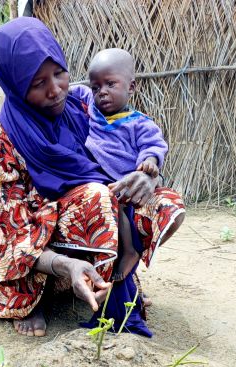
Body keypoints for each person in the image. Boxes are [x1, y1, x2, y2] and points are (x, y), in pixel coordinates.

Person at [0, 17, 185, 337]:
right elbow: (16, 232)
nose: (55, 89)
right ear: (14, 85)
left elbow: (131, 143)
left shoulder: (81, 105)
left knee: (162, 203)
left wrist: (147, 175)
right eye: (37, 83)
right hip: (32, 239)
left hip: (89, 221)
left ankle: (114, 284)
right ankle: (38, 295)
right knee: (98, 196)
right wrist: (66, 264)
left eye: (58, 73)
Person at [80, 48, 168, 281]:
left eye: (110, 84)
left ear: (131, 87)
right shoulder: (93, 114)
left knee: (116, 206)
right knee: (108, 205)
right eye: (96, 87)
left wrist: (149, 162)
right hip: (101, 181)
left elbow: (153, 145)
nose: (103, 93)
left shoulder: (139, 123)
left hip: (128, 183)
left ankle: (130, 251)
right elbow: (74, 91)